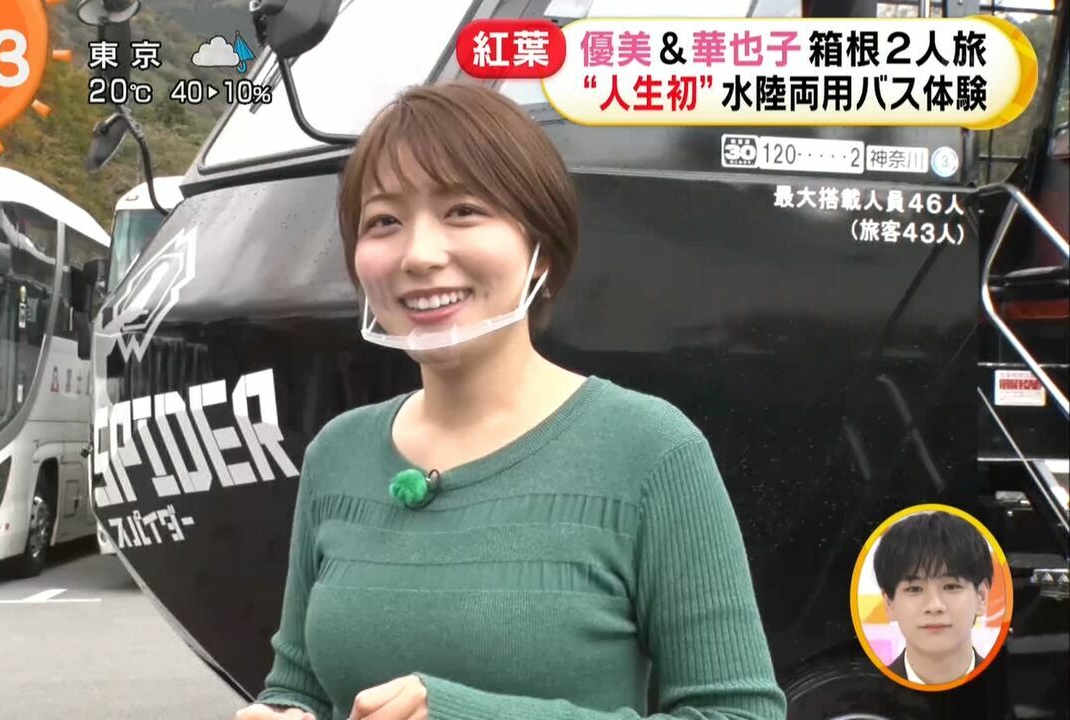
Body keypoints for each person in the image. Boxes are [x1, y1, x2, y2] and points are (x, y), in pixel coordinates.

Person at [235, 82, 787, 720]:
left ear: (540, 248)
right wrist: (284, 711)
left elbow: (739, 714)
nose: (419, 255)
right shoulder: (338, 453)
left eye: (462, 210)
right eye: (384, 221)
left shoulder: (652, 451)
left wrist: (465, 714)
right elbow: (298, 686)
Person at [872, 510, 993, 686]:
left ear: (981, 596)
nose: (934, 606)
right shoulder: (868, 694)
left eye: (951, 586)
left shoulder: (1011, 688)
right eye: (914, 589)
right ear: (889, 603)